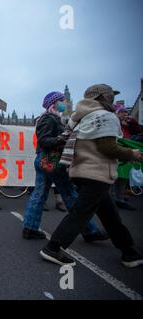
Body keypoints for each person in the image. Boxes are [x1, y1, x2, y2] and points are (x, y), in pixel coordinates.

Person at [40, 84, 143, 268]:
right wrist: (131, 154)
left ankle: (129, 252)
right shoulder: (105, 116)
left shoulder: (78, 117)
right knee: (80, 213)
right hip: (96, 172)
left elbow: (65, 138)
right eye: (110, 97)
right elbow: (108, 147)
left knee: (110, 214)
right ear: (102, 98)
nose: (112, 101)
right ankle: (53, 247)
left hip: (78, 171)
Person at [22, 91, 107, 242]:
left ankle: (30, 228)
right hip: (51, 160)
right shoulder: (49, 118)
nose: (64, 103)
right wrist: (63, 139)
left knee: (39, 194)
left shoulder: (52, 118)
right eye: (61, 100)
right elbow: (44, 141)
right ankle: (89, 230)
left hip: (44, 159)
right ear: (53, 103)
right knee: (69, 193)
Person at [111, 104, 139, 211]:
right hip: (118, 151)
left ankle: (120, 199)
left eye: (126, 112)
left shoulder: (127, 123)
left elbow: (137, 131)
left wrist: (131, 121)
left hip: (127, 151)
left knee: (123, 177)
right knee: (114, 177)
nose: (125, 114)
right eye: (123, 112)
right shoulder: (113, 121)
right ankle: (112, 200)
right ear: (117, 113)